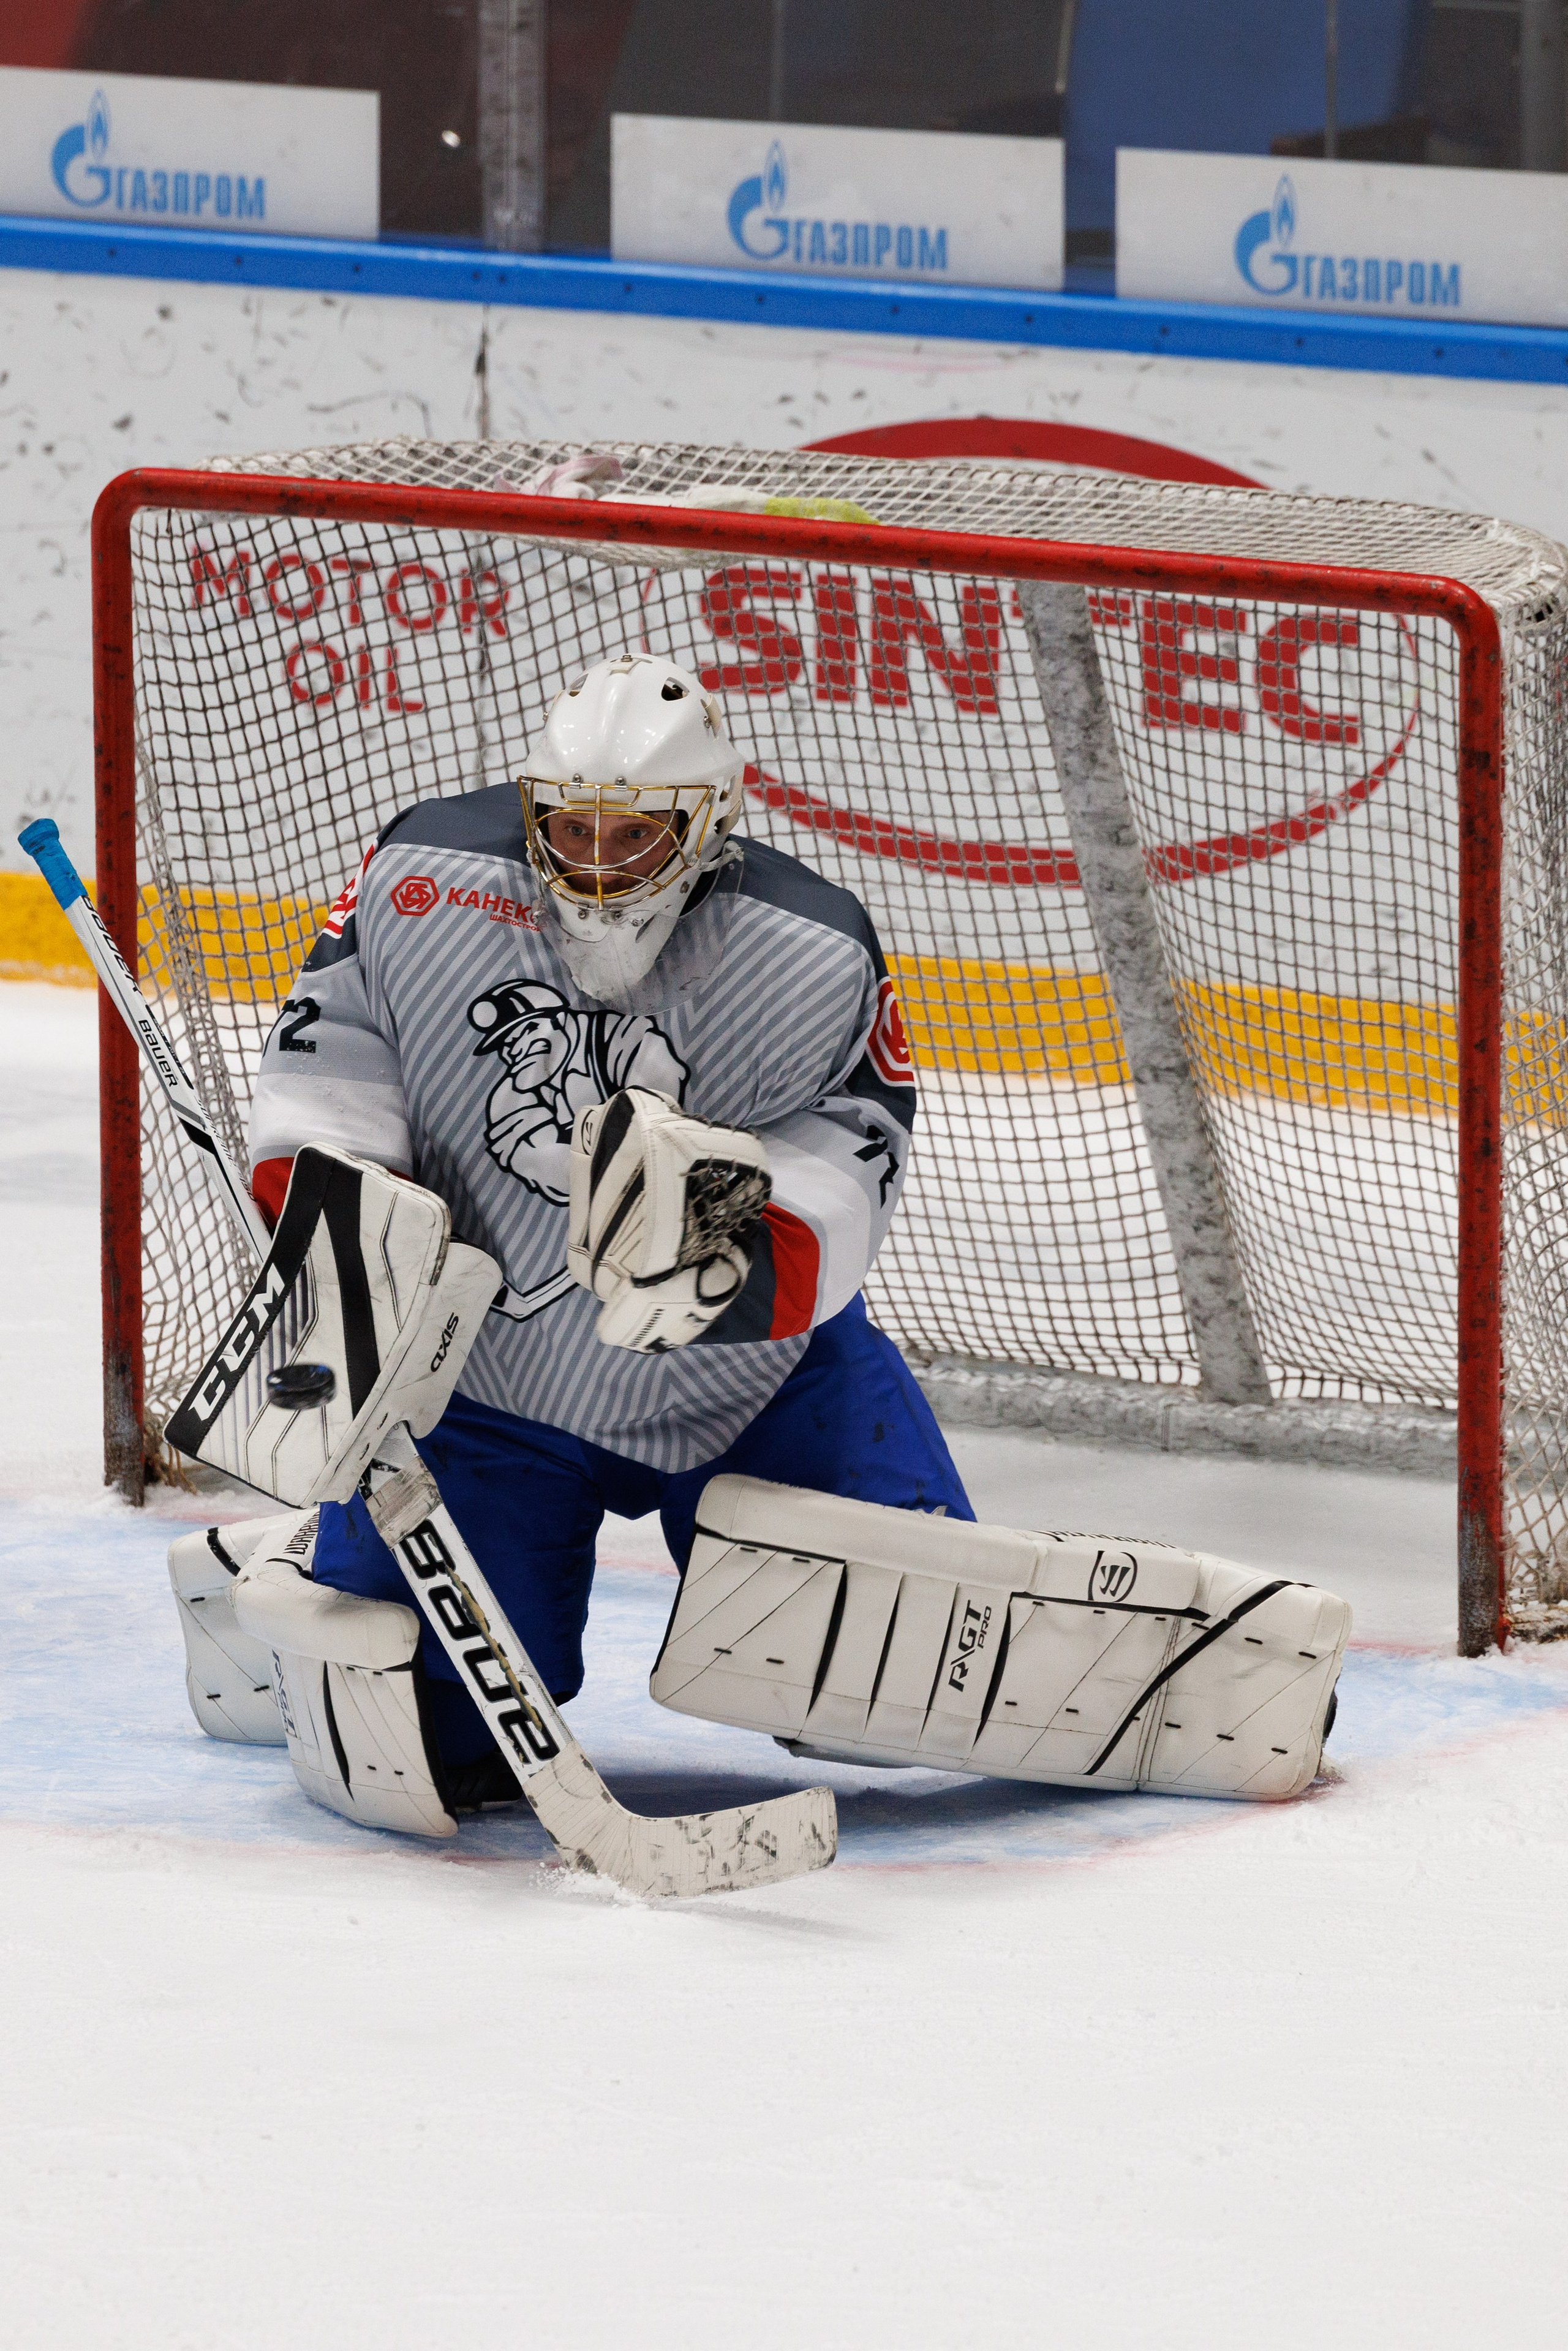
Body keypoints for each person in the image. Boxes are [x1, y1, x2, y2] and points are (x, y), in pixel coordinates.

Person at [244, 651, 974, 1796]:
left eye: (631, 836)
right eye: (568, 830)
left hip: (755, 1384)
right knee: (439, 1738)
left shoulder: (815, 944)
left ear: (710, 822)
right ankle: (291, 1572)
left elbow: (853, 1139)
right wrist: (351, 1235)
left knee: (891, 1685)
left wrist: (725, 1248)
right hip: (486, 1381)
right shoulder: (419, 876)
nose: (592, 866)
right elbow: (330, 1056)